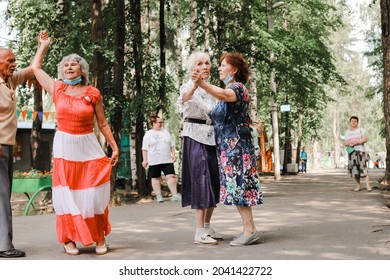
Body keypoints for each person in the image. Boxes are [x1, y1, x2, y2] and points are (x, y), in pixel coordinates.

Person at [30, 35, 120, 255]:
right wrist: (43, 46)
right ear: (62, 72)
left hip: (88, 145)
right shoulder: (57, 89)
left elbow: (103, 123)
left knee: (93, 191)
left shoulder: (92, 93)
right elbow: (35, 68)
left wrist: (114, 147)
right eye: (65, 65)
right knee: (67, 193)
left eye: (74, 64)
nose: (69, 67)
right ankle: (68, 238)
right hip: (65, 147)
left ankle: (98, 236)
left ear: (82, 71)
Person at [191, 52, 263, 246]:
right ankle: (249, 229)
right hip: (228, 149)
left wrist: (202, 83)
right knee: (237, 188)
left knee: (240, 187)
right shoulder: (228, 89)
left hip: (237, 148)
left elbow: (223, 95)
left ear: (235, 70)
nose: (219, 68)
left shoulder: (238, 88)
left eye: (224, 65)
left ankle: (250, 230)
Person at [0, 31, 49, 258]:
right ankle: (3, 246)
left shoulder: (9, 80)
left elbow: (33, 69)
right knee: (2, 196)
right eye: (9, 60)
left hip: (6, 145)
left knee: (3, 194)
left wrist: (42, 46)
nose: (13, 64)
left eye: (14, 61)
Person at [178, 51, 221, 245]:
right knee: (201, 180)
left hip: (212, 137)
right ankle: (198, 231)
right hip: (195, 136)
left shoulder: (211, 88)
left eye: (207, 63)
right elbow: (185, 99)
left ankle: (207, 226)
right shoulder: (188, 86)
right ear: (192, 68)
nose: (204, 66)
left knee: (213, 180)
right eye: (200, 63)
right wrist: (195, 85)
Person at [142, 115, 181, 203]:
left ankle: (174, 195)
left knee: (171, 176)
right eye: (159, 122)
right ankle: (159, 196)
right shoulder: (148, 134)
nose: (161, 124)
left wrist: (173, 154)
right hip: (154, 160)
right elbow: (144, 148)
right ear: (153, 123)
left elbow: (172, 144)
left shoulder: (165, 132)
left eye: (161, 122)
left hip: (166, 159)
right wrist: (145, 160)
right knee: (156, 178)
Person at [344, 116, 372, 192]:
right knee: (355, 170)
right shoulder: (347, 132)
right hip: (352, 152)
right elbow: (345, 143)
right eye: (352, 121)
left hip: (360, 151)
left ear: (357, 122)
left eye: (355, 121)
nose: (353, 123)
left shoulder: (361, 130)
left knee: (363, 168)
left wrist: (355, 142)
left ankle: (368, 186)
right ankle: (358, 186)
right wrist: (350, 143)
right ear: (350, 122)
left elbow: (365, 139)